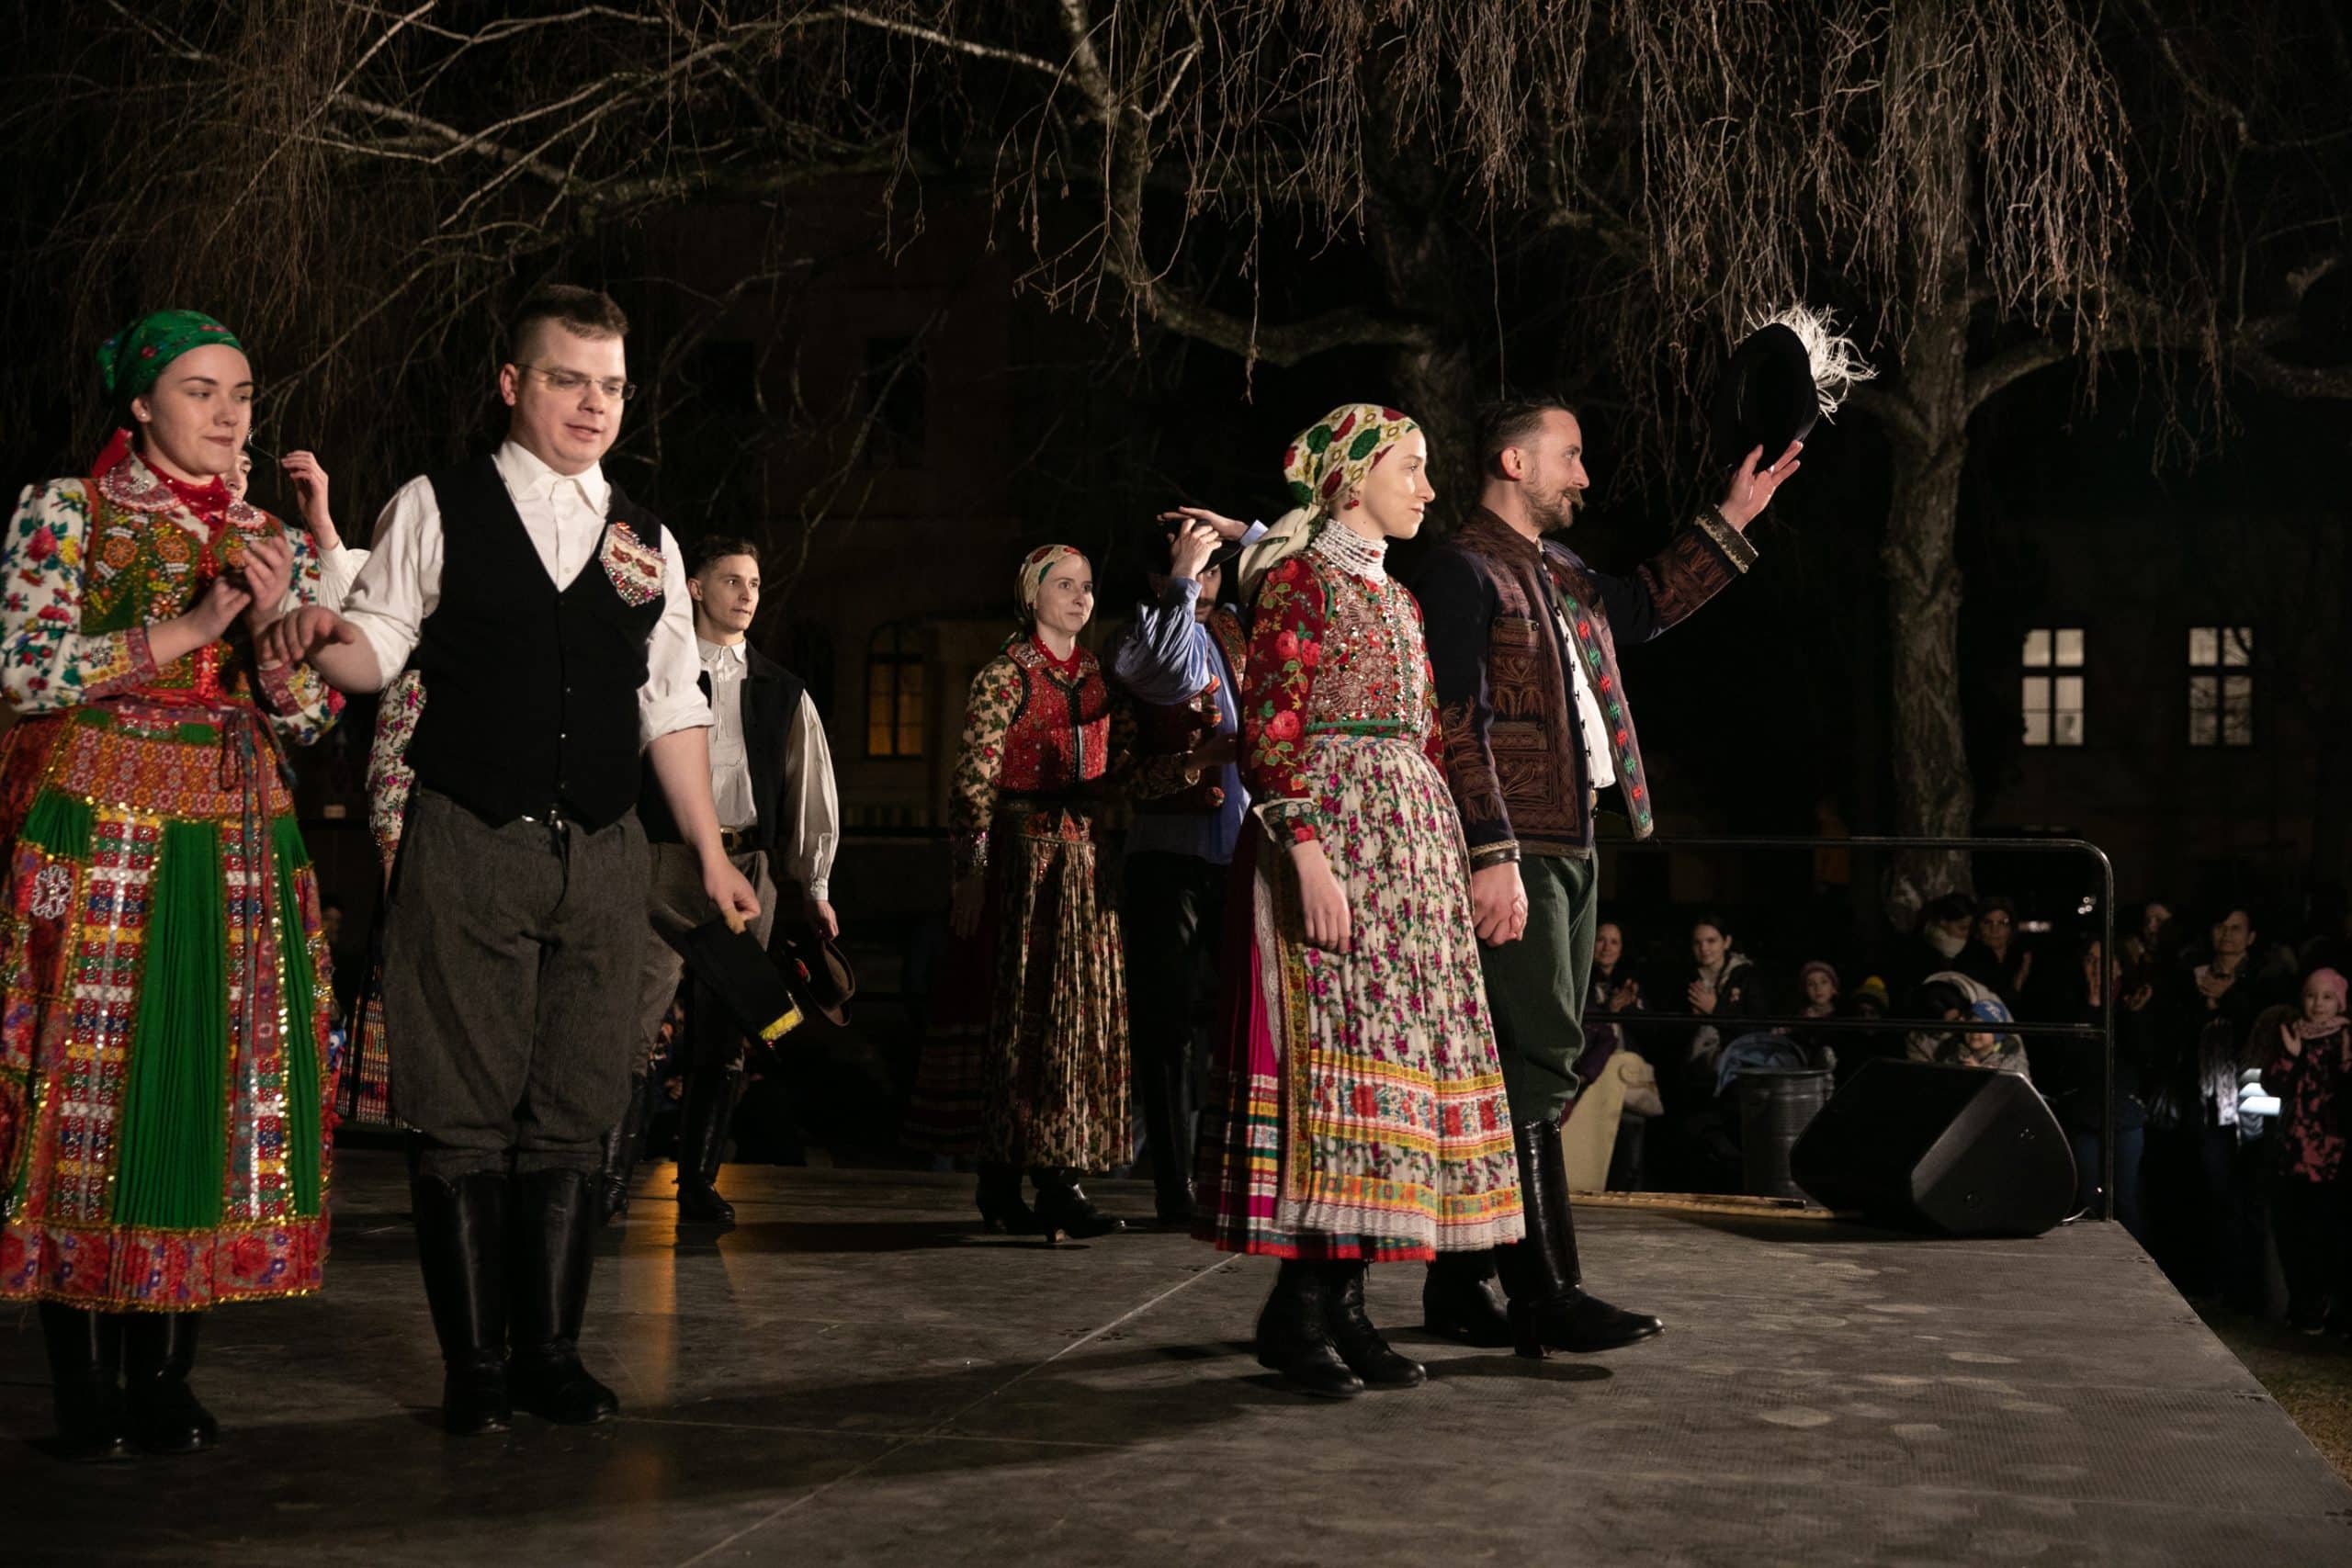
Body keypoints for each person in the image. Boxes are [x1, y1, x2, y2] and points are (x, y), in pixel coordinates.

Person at [261, 284, 759, 1437]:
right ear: (511, 384)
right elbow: (381, 647)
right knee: (464, 1109)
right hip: (470, 840)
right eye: (567, 379)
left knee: (577, 1104)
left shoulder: (646, 538)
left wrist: (705, 847)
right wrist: (327, 637)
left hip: (603, 852)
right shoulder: (436, 504)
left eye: (611, 386)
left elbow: (672, 706)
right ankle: (475, 1367)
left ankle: (551, 1354)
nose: (593, 405)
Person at [0, 310, 343, 1460]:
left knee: (207, 1074)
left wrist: (282, 638)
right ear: (142, 403)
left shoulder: (265, 533)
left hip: (237, 826)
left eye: (242, 394)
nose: (229, 414)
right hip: (102, 821)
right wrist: (186, 627)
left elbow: (308, 714)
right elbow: (24, 668)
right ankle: (83, 1381)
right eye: (202, 391)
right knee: (89, 1079)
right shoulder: (69, 510)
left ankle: (165, 1375)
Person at [1408, 393, 1797, 1352]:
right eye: (1570, 455)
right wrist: (1489, 849)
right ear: (1513, 463)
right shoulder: (1461, 570)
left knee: (1524, 1055)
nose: (1585, 475)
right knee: (1537, 1055)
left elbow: (1646, 605)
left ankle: (1459, 1287)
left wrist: (1731, 518)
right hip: (1518, 850)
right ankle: (1546, 1291)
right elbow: (1455, 722)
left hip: (1571, 840)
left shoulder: (1563, 570)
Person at [1190, 402, 1524, 1397]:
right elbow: (1272, 732)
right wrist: (1305, 853)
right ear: (1351, 478)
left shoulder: (1402, 600)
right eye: (1410, 467)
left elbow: (1426, 739)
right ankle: (1300, 1310)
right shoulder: (1300, 584)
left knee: (1389, 1075)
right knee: (1333, 1071)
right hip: (1336, 839)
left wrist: (1456, 856)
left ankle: (1343, 1307)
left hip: (1407, 854)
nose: (1428, 487)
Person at [907, 545, 1133, 1242]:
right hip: (1024, 865)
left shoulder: (1098, 677)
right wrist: (971, 872)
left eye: (1086, 585)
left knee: (1074, 1014)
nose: (1080, 596)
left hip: (1083, 862)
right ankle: (1011, 1176)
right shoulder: (1005, 675)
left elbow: (1121, 767)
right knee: (1022, 1012)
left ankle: (1055, 1176)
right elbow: (972, 780)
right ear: (1032, 596)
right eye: (1064, 585)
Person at [612, 536, 840, 1224]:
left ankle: (699, 1183)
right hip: (663, 860)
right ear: (695, 588)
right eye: (732, 580)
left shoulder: (780, 688)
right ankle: (607, 1178)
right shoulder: (656, 672)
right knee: (633, 1022)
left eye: (755, 583)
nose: (746, 595)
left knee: (729, 1029)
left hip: (746, 867)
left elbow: (809, 786)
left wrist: (816, 885)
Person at [1104, 513, 1261, 1227]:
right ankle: (1174, 1183)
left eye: (1214, 564)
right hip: (1165, 856)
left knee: (1238, 1017)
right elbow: (1168, 678)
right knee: (1167, 1025)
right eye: (1195, 562)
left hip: (1238, 852)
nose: (1208, 575)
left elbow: (1289, 568)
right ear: (1158, 573)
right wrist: (1180, 582)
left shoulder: (1235, 629)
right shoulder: (1135, 637)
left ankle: (1232, 1172)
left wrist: (1240, 530)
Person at [2262, 969, 2349, 1333]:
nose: (2318, 1004)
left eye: (2327, 997)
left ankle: (2331, 1308)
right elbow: (2273, 1085)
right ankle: (2305, 1306)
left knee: (2328, 1234)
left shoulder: (2345, 1037)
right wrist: (2291, 1056)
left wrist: (2345, 1063)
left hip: (2334, 1158)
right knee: (2293, 1233)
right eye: (2312, 995)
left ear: (2340, 1002)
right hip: (2293, 1153)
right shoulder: (2293, 1032)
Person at [1904, 972, 2030, 1077]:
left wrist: (1981, 1074)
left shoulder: (2009, 1056)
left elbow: (2016, 1083)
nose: (1963, 1024)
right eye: (1952, 1023)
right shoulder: (1952, 1054)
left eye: (1963, 1017)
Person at [1961, 896, 2034, 1012]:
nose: (1994, 930)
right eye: (1987, 922)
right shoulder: (1968, 962)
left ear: (2011, 928)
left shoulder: (2022, 959)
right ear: (1978, 927)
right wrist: (2016, 986)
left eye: (2002, 923)